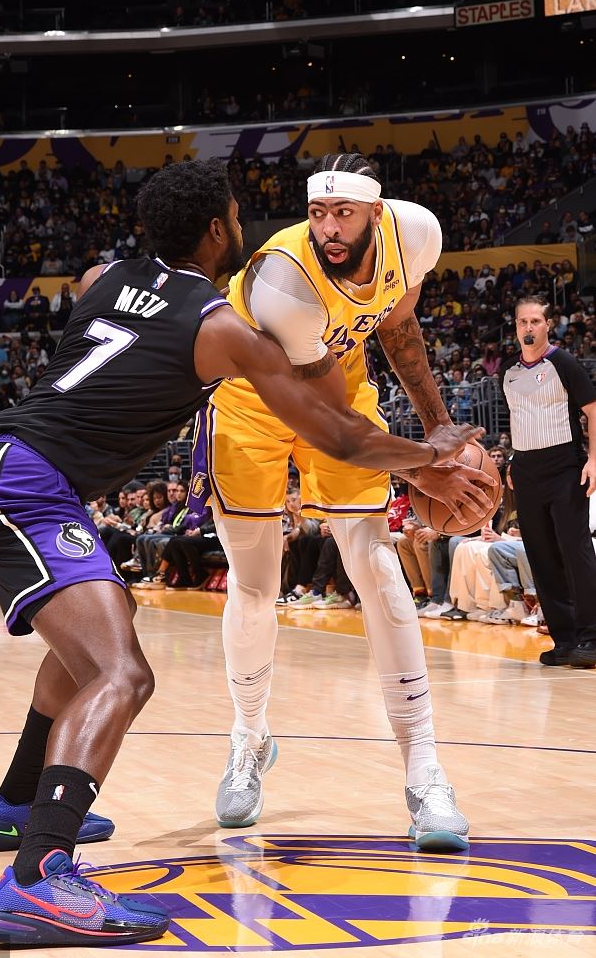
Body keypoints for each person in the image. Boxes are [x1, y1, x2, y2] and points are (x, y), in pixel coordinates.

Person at [0, 159, 481, 948]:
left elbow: (103, 322)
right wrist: (428, 455)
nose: (242, 226)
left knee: (93, 636)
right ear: (215, 231)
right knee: (121, 675)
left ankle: (17, 806)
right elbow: (338, 435)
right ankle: (39, 877)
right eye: (234, 215)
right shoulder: (220, 325)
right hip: (25, 483)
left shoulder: (103, 277)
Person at [193, 152, 495, 852]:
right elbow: (335, 425)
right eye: (318, 213)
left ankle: (424, 771)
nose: (328, 228)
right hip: (250, 404)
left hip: (341, 390)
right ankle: (248, 738)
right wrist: (421, 470)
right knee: (255, 584)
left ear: (376, 215)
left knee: (375, 564)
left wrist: (439, 437)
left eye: (344, 213)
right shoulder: (283, 283)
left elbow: (400, 330)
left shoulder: (415, 234)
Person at [501, 296, 596, 667]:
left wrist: (593, 459)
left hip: (564, 467)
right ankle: (565, 640)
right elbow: (519, 418)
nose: (529, 327)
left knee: (575, 552)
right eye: (522, 321)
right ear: (515, 326)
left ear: (548, 325)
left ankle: (591, 637)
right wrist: (513, 460)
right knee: (541, 556)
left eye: (535, 321)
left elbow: (592, 411)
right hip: (526, 470)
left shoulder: (563, 363)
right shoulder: (507, 371)